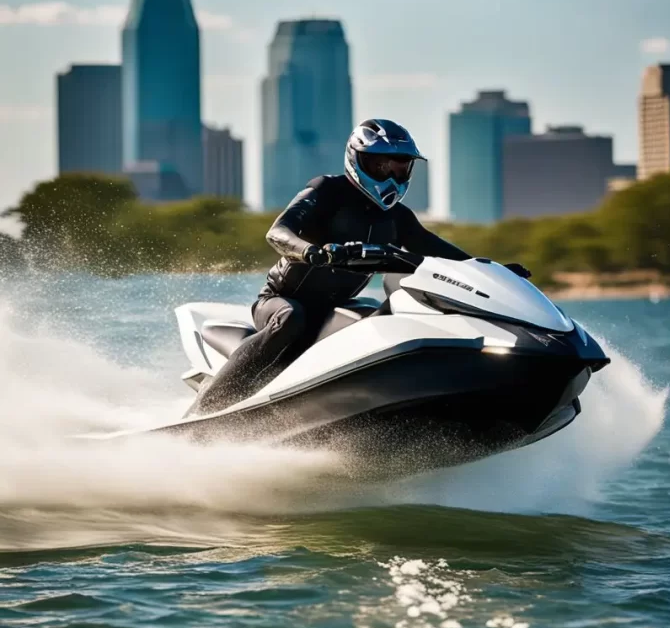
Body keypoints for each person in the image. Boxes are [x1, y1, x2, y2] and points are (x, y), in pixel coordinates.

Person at [197, 118, 529, 412]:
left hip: (335, 308)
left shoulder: (399, 218)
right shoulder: (327, 190)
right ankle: (209, 406)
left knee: (381, 318)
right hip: (280, 301)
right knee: (290, 319)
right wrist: (313, 252)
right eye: (381, 165)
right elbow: (278, 232)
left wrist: (492, 271)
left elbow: (441, 253)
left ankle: (385, 399)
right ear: (358, 160)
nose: (391, 175)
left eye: (400, 167)